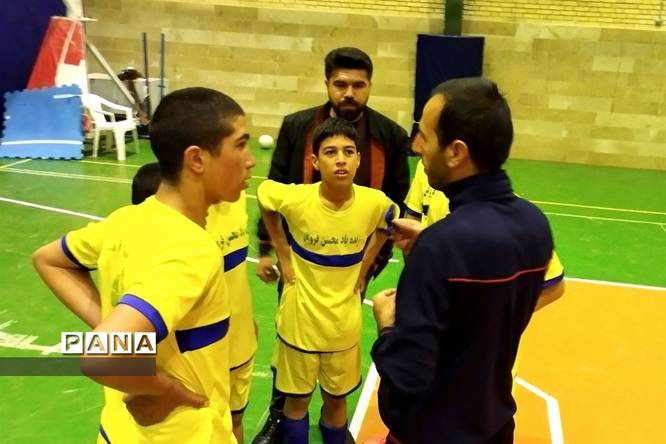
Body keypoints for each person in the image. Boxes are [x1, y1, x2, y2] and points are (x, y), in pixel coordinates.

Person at [32, 87, 256, 444]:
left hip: (119, 431)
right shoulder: (191, 249)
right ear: (197, 160)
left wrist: (112, 324)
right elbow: (102, 354)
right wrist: (162, 389)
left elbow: (48, 260)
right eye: (240, 145)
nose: (250, 160)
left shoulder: (125, 220)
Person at [370, 77, 564, 443]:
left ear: (456, 152)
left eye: (424, 136)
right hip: (494, 424)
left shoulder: (440, 249)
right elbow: (485, 306)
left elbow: (406, 374)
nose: (416, 146)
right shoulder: (534, 224)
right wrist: (432, 240)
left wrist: (386, 325)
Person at [253, 46, 410, 444]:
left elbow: (394, 208)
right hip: (301, 274)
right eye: (341, 84)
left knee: (331, 375)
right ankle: (277, 419)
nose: (349, 93)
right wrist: (275, 252)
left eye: (358, 85)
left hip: (348, 276)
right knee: (293, 367)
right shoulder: (297, 128)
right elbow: (271, 192)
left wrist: (368, 264)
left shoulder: (389, 137)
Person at [131, 164, 258, 444]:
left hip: (235, 349)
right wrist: (154, 381)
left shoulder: (233, 206)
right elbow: (97, 348)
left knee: (232, 422)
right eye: (238, 146)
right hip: (185, 375)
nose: (249, 161)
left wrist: (246, 322)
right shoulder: (146, 254)